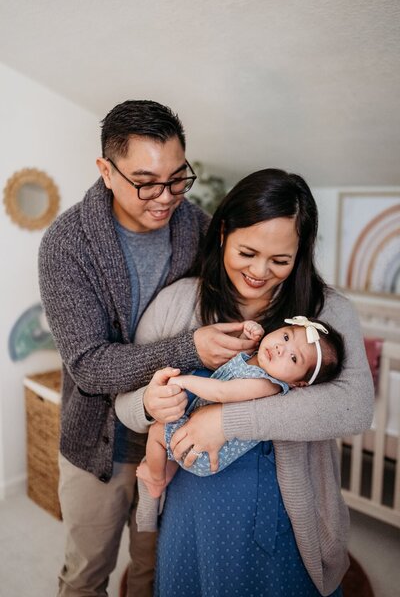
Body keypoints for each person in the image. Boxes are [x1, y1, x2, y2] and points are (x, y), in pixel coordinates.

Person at [115, 168, 374, 597]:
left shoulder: (327, 313)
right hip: (190, 518)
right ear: (221, 234)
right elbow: (124, 404)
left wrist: (228, 421)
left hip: (287, 518)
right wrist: (148, 402)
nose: (259, 272)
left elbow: (354, 407)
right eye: (247, 252)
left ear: (301, 254)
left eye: (280, 260)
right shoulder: (177, 303)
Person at [38, 100, 257, 597]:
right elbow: (90, 367)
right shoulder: (66, 245)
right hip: (98, 443)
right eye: (146, 182)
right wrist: (191, 349)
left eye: (179, 178)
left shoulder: (199, 229)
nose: (165, 197)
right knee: (85, 574)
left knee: (156, 571)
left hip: (178, 436)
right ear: (106, 171)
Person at [136, 316, 344, 504]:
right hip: (200, 430)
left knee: (157, 431)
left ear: (299, 383)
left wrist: (184, 381)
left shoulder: (267, 384)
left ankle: (156, 479)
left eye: (294, 358)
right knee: (171, 426)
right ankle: (169, 464)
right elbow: (232, 366)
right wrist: (246, 336)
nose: (282, 348)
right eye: (287, 337)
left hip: (205, 453)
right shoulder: (258, 361)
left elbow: (222, 391)